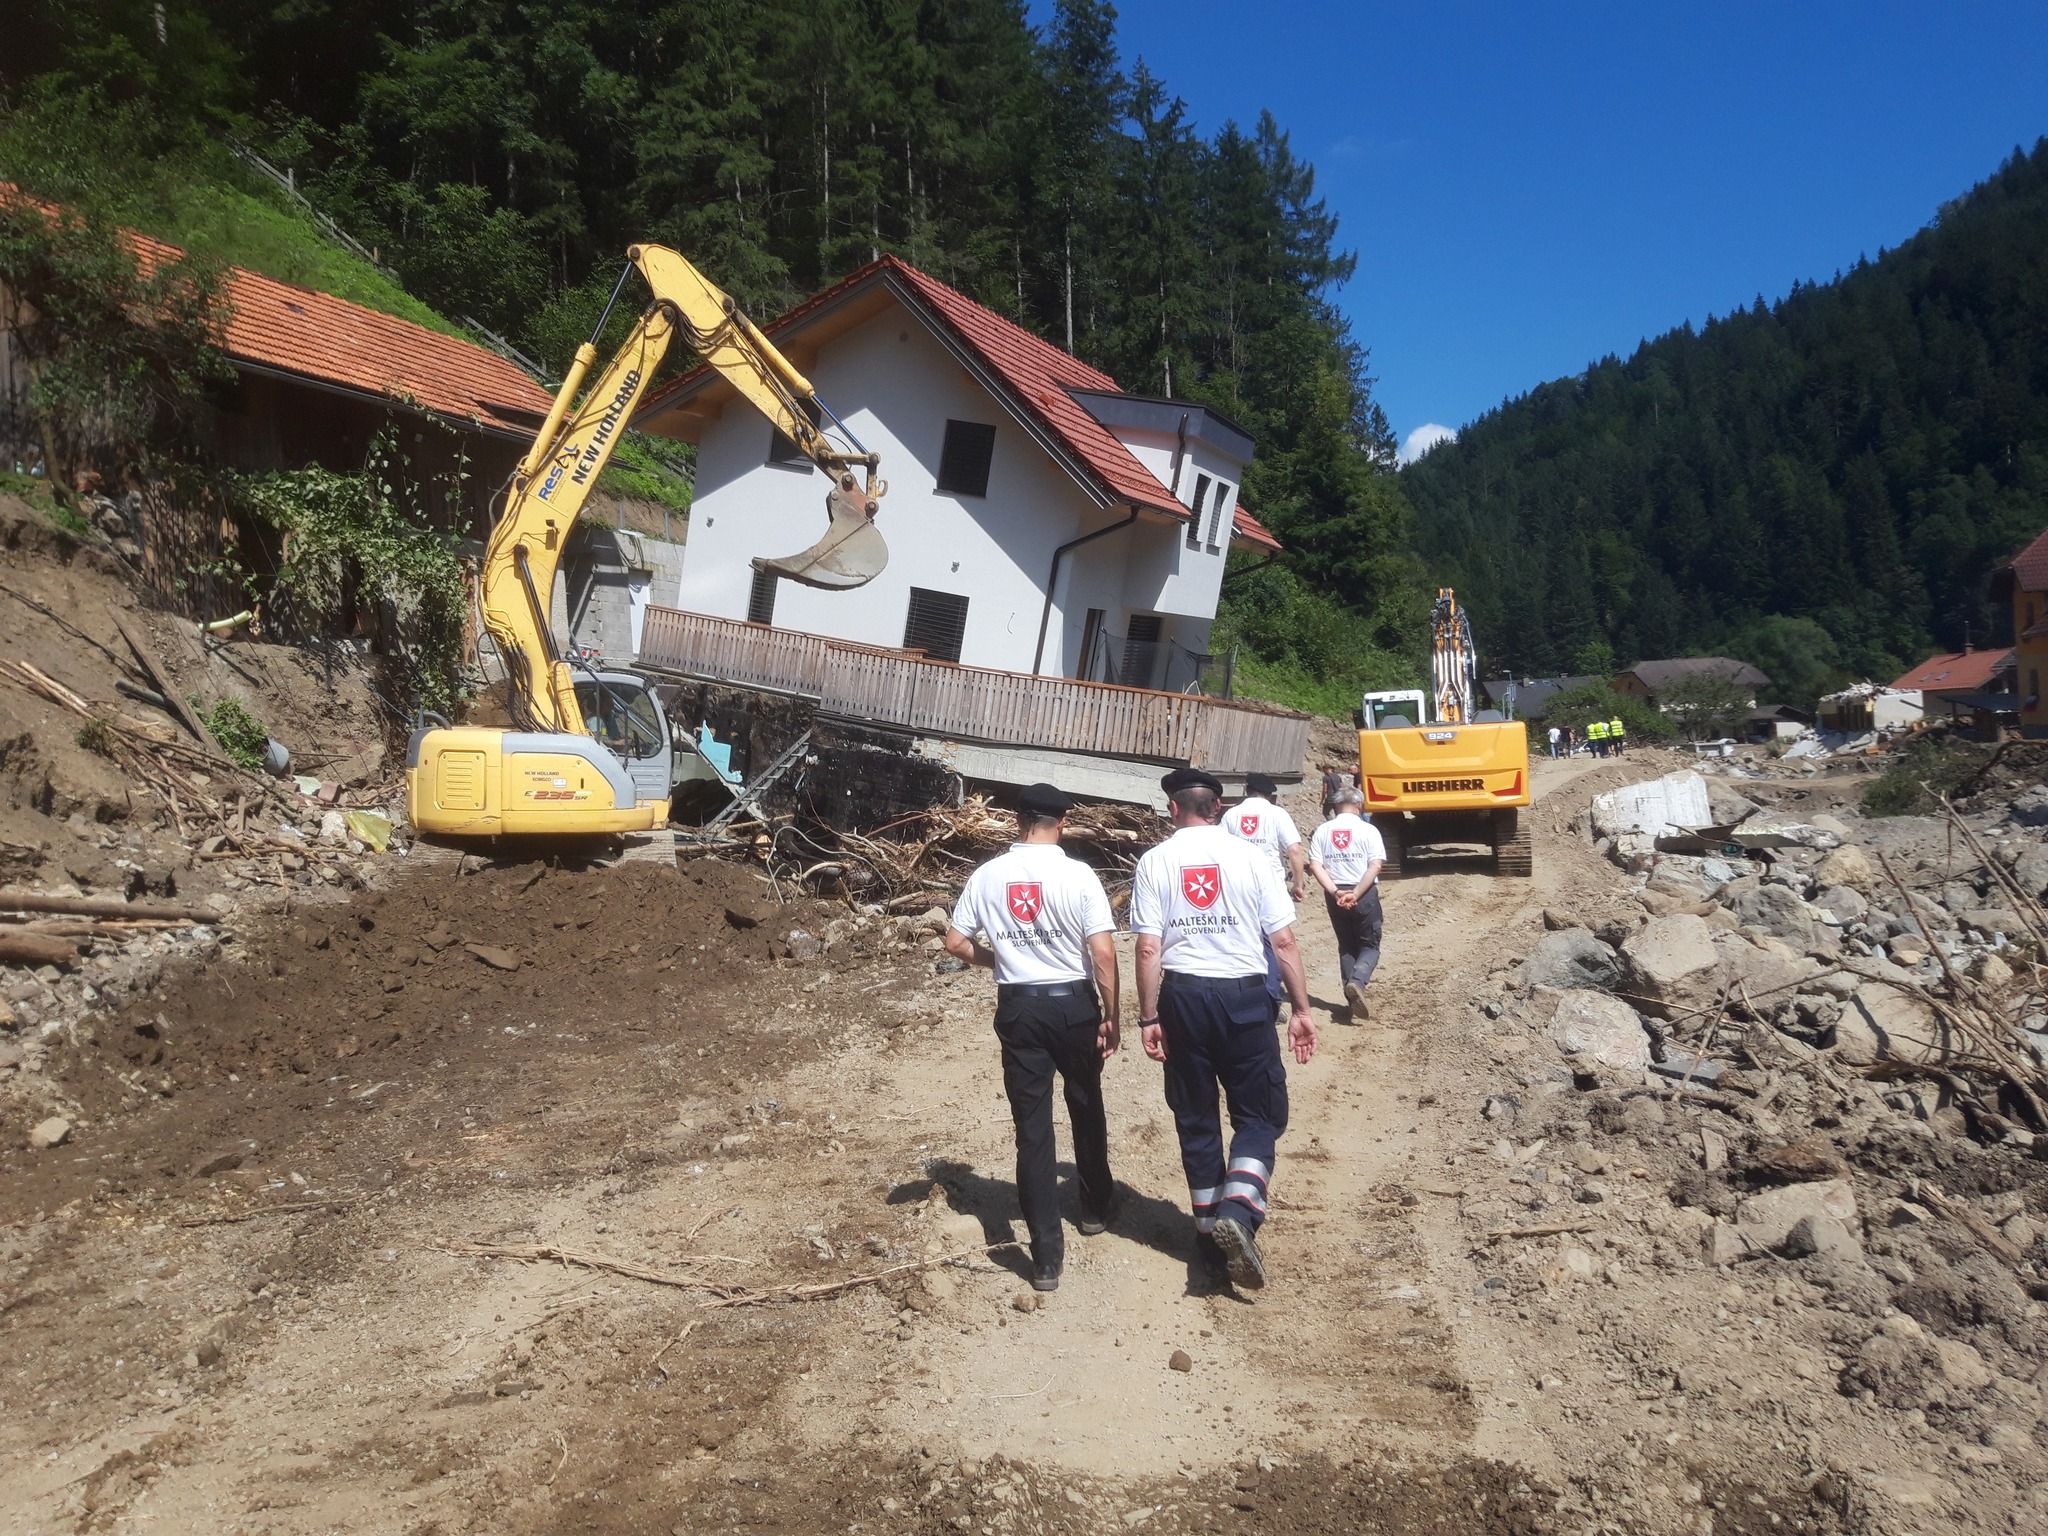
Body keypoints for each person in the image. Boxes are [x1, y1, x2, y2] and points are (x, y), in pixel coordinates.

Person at [1131, 767, 1316, 1292]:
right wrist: (1301, 1009)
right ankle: (1240, 1206)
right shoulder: (1253, 859)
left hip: (1183, 997)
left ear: (1175, 809)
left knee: (1195, 1116)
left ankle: (1210, 1231)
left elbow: (1148, 948)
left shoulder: (1155, 862)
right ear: (1219, 809)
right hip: (1243, 997)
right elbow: (1282, 943)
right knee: (1259, 1114)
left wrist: (1149, 1017)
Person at [944, 783, 1121, 1293]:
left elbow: (956, 942)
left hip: (1019, 1005)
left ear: (1018, 821)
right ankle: (1093, 1206)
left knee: (1033, 1127)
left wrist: (1001, 960)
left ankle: (1045, 1256)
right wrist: (1113, 1014)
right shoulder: (1078, 874)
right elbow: (1104, 954)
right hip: (1073, 1005)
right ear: (1061, 823)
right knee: (1086, 1102)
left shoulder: (988, 875)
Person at [1309, 786, 1389, 1021]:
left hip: (1335, 894)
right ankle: (1357, 982)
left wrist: (1336, 892)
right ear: (1359, 805)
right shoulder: (1368, 830)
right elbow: (1375, 866)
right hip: (1363, 892)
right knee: (1370, 945)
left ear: (1335, 806)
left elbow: (1315, 865)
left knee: (1346, 944)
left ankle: (1350, 997)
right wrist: (1355, 893)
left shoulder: (1323, 831)